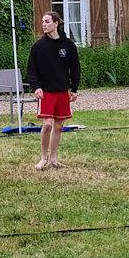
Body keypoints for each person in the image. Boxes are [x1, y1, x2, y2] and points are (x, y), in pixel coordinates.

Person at [27, 10, 81, 170]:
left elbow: (75, 68)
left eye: (47, 21)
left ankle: (54, 159)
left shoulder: (68, 45)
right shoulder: (38, 46)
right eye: (43, 21)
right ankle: (43, 158)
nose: (44, 24)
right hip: (46, 91)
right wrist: (36, 86)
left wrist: (74, 89)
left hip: (62, 90)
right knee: (48, 124)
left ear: (56, 23)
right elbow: (31, 69)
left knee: (58, 126)